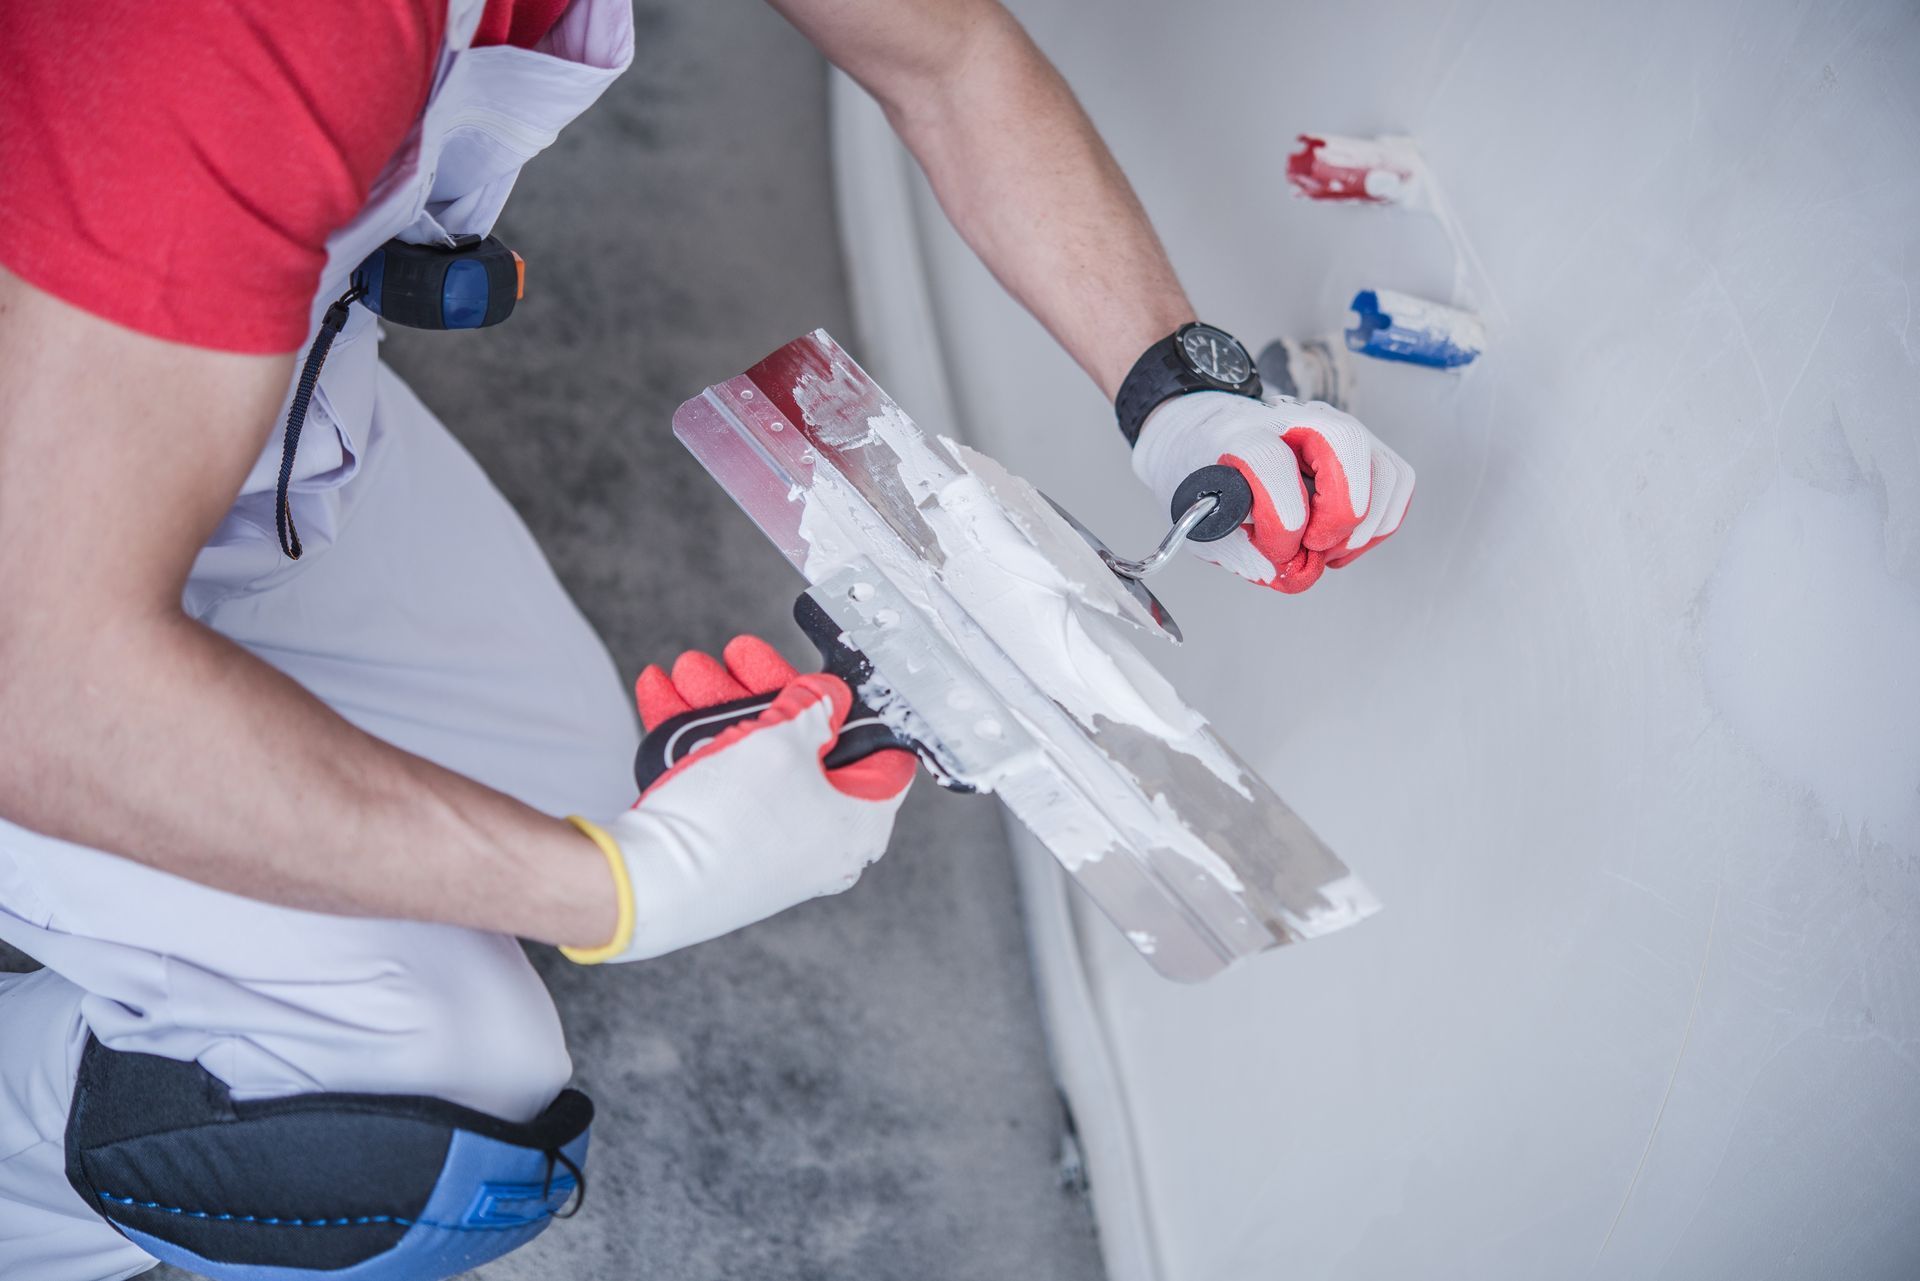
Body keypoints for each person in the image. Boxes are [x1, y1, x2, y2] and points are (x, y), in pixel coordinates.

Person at [0, 1, 1414, 1276]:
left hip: (210, 417)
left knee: (548, 799)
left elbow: (949, 57)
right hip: (34, 573)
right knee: (421, 1088)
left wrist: (1182, 391)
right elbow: (46, 689)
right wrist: (621, 887)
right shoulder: (255, 27)